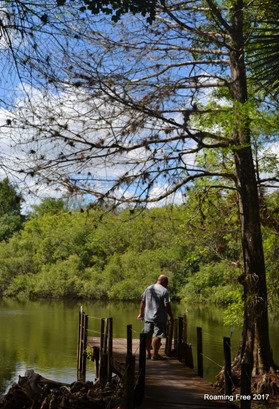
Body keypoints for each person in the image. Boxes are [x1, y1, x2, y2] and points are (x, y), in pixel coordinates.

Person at [137, 274, 174, 360]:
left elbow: (143, 302)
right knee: (158, 335)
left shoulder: (148, 288)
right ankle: (155, 355)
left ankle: (148, 354)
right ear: (163, 281)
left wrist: (141, 313)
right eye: (167, 282)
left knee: (147, 335)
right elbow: (167, 305)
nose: (167, 284)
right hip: (160, 318)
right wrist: (171, 317)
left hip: (148, 317)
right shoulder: (164, 291)